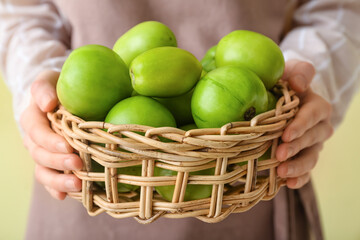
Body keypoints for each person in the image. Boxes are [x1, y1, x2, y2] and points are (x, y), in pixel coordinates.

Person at [0, 0, 359, 239]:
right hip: (87, 176)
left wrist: (308, 81)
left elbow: (339, 10)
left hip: (249, 178)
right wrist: (38, 83)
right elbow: (21, 12)